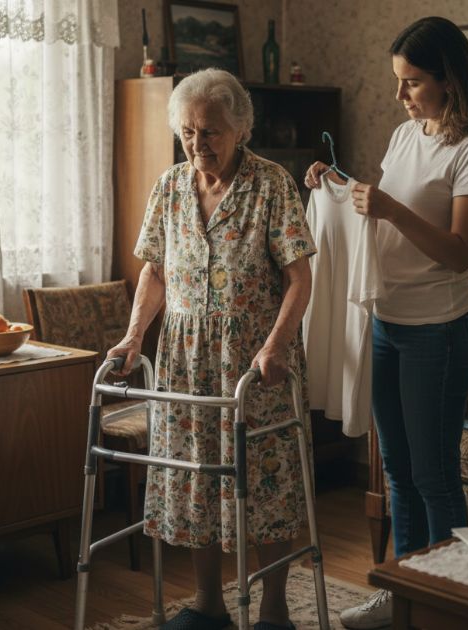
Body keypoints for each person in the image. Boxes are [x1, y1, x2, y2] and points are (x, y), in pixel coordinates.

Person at [305, 16, 468, 629]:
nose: (400, 95)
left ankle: (449, 605)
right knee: (395, 470)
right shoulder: (404, 136)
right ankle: (405, 594)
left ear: (449, 79)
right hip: (385, 323)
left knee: (434, 474)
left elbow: (457, 251)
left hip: (440, 332)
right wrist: (334, 184)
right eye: (398, 81)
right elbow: (373, 218)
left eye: (412, 82)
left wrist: (388, 207)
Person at [107, 68, 316, 630]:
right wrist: (133, 336)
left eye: (213, 130)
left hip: (254, 361)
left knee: (265, 480)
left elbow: (300, 277)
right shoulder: (170, 186)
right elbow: (154, 270)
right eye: (190, 131)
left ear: (240, 128)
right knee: (197, 478)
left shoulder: (272, 185)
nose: (200, 143)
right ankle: (207, 605)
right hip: (184, 358)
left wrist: (276, 346)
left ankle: (274, 611)